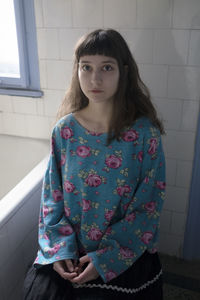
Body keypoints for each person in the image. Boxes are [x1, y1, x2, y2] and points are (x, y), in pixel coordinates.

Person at [23, 29, 166, 300]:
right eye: (86, 67)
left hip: (122, 250)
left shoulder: (144, 135)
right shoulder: (64, 131)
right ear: (77, 70)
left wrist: (105, 259)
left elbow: (148, 206)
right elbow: (52, 200)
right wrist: (60, 250)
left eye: (106, 68)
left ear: (123, 71)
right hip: (69, 249)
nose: (94, 78)